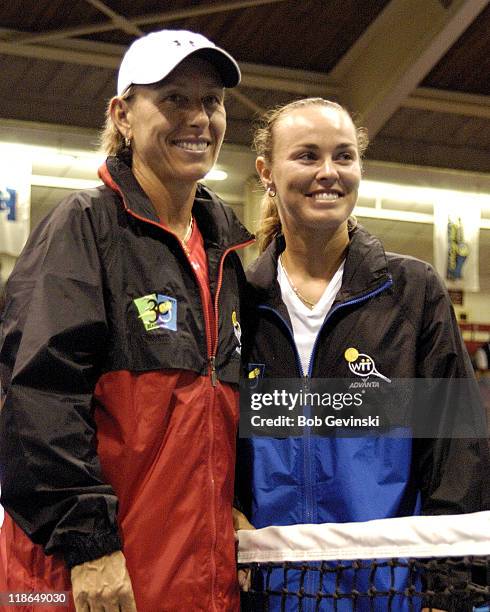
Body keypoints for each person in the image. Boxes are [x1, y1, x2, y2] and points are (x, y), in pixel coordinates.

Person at [0, 29, 253, 612]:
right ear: (123, 116)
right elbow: (39, 397)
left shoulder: (228, 253)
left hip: (192, 575)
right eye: (174, 99)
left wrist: (234, 500)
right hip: (93, 578)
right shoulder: (82, 227)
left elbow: (217, 412)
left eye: (211, 101)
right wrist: (88, 545)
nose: (199, 118)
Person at [235, 97, 490, 611]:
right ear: (266, 172)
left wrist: (449, 591)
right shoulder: (237, 299)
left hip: (388, 592)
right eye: (307, 156)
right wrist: (228, 514)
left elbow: (455, 452)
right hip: (268, 592)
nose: (328, 172)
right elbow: (211, 442)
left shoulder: (413, 291)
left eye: (344, 156)